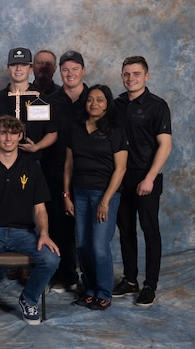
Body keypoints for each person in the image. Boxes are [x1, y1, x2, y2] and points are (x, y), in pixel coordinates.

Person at [0, 115, 60, 325]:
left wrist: (44, 234)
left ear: (20, 136)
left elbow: (40, 209)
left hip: (24, 233)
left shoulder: (33, 169)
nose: (8, 138)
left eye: (12, 133)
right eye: (2, 133)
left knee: (51, 258)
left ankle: (28, 300)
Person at [112, 56, 172, 306]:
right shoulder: (116, 105)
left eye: (136, 74)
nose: (130, 78)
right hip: (120, 176)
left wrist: (149, 178)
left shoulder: (157, 106)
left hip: (146, 176)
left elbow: (165, 145)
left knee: (150, 231)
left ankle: (150, 285)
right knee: (125, 231)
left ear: (146, 76)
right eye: (126, 74)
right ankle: (130, 280)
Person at [63, 85, 128, 310]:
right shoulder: (77, 128)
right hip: (79, 193)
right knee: (83, 245)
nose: (94, 104)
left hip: (105, 193)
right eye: (90, 99)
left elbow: (120, 169)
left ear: (107, 104)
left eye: (100, 100)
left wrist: (105, 200)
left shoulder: (115, 129)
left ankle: (104, 293)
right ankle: (89, 290)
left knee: (99, 245)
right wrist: (66, 195)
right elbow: (69, 165)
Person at [41, 50, 89, 293]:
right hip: (55, 170)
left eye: (74, 69)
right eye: (65, 69)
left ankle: (90, 277)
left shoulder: (94, 98)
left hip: (88, 172)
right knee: (59, 225)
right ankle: (64, 275)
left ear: (83, 71)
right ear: (60, 72)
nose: (70, 74)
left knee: (87, 226)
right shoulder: (50, 100)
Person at [0, 47, 57, 162]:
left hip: (31, 161)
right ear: (8, 68)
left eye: (23, 65)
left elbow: (52, 133)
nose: (18, 69)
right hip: (0, 161)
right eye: (14, 65)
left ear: (31, 69)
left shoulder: (41, 99)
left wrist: (36, 147)